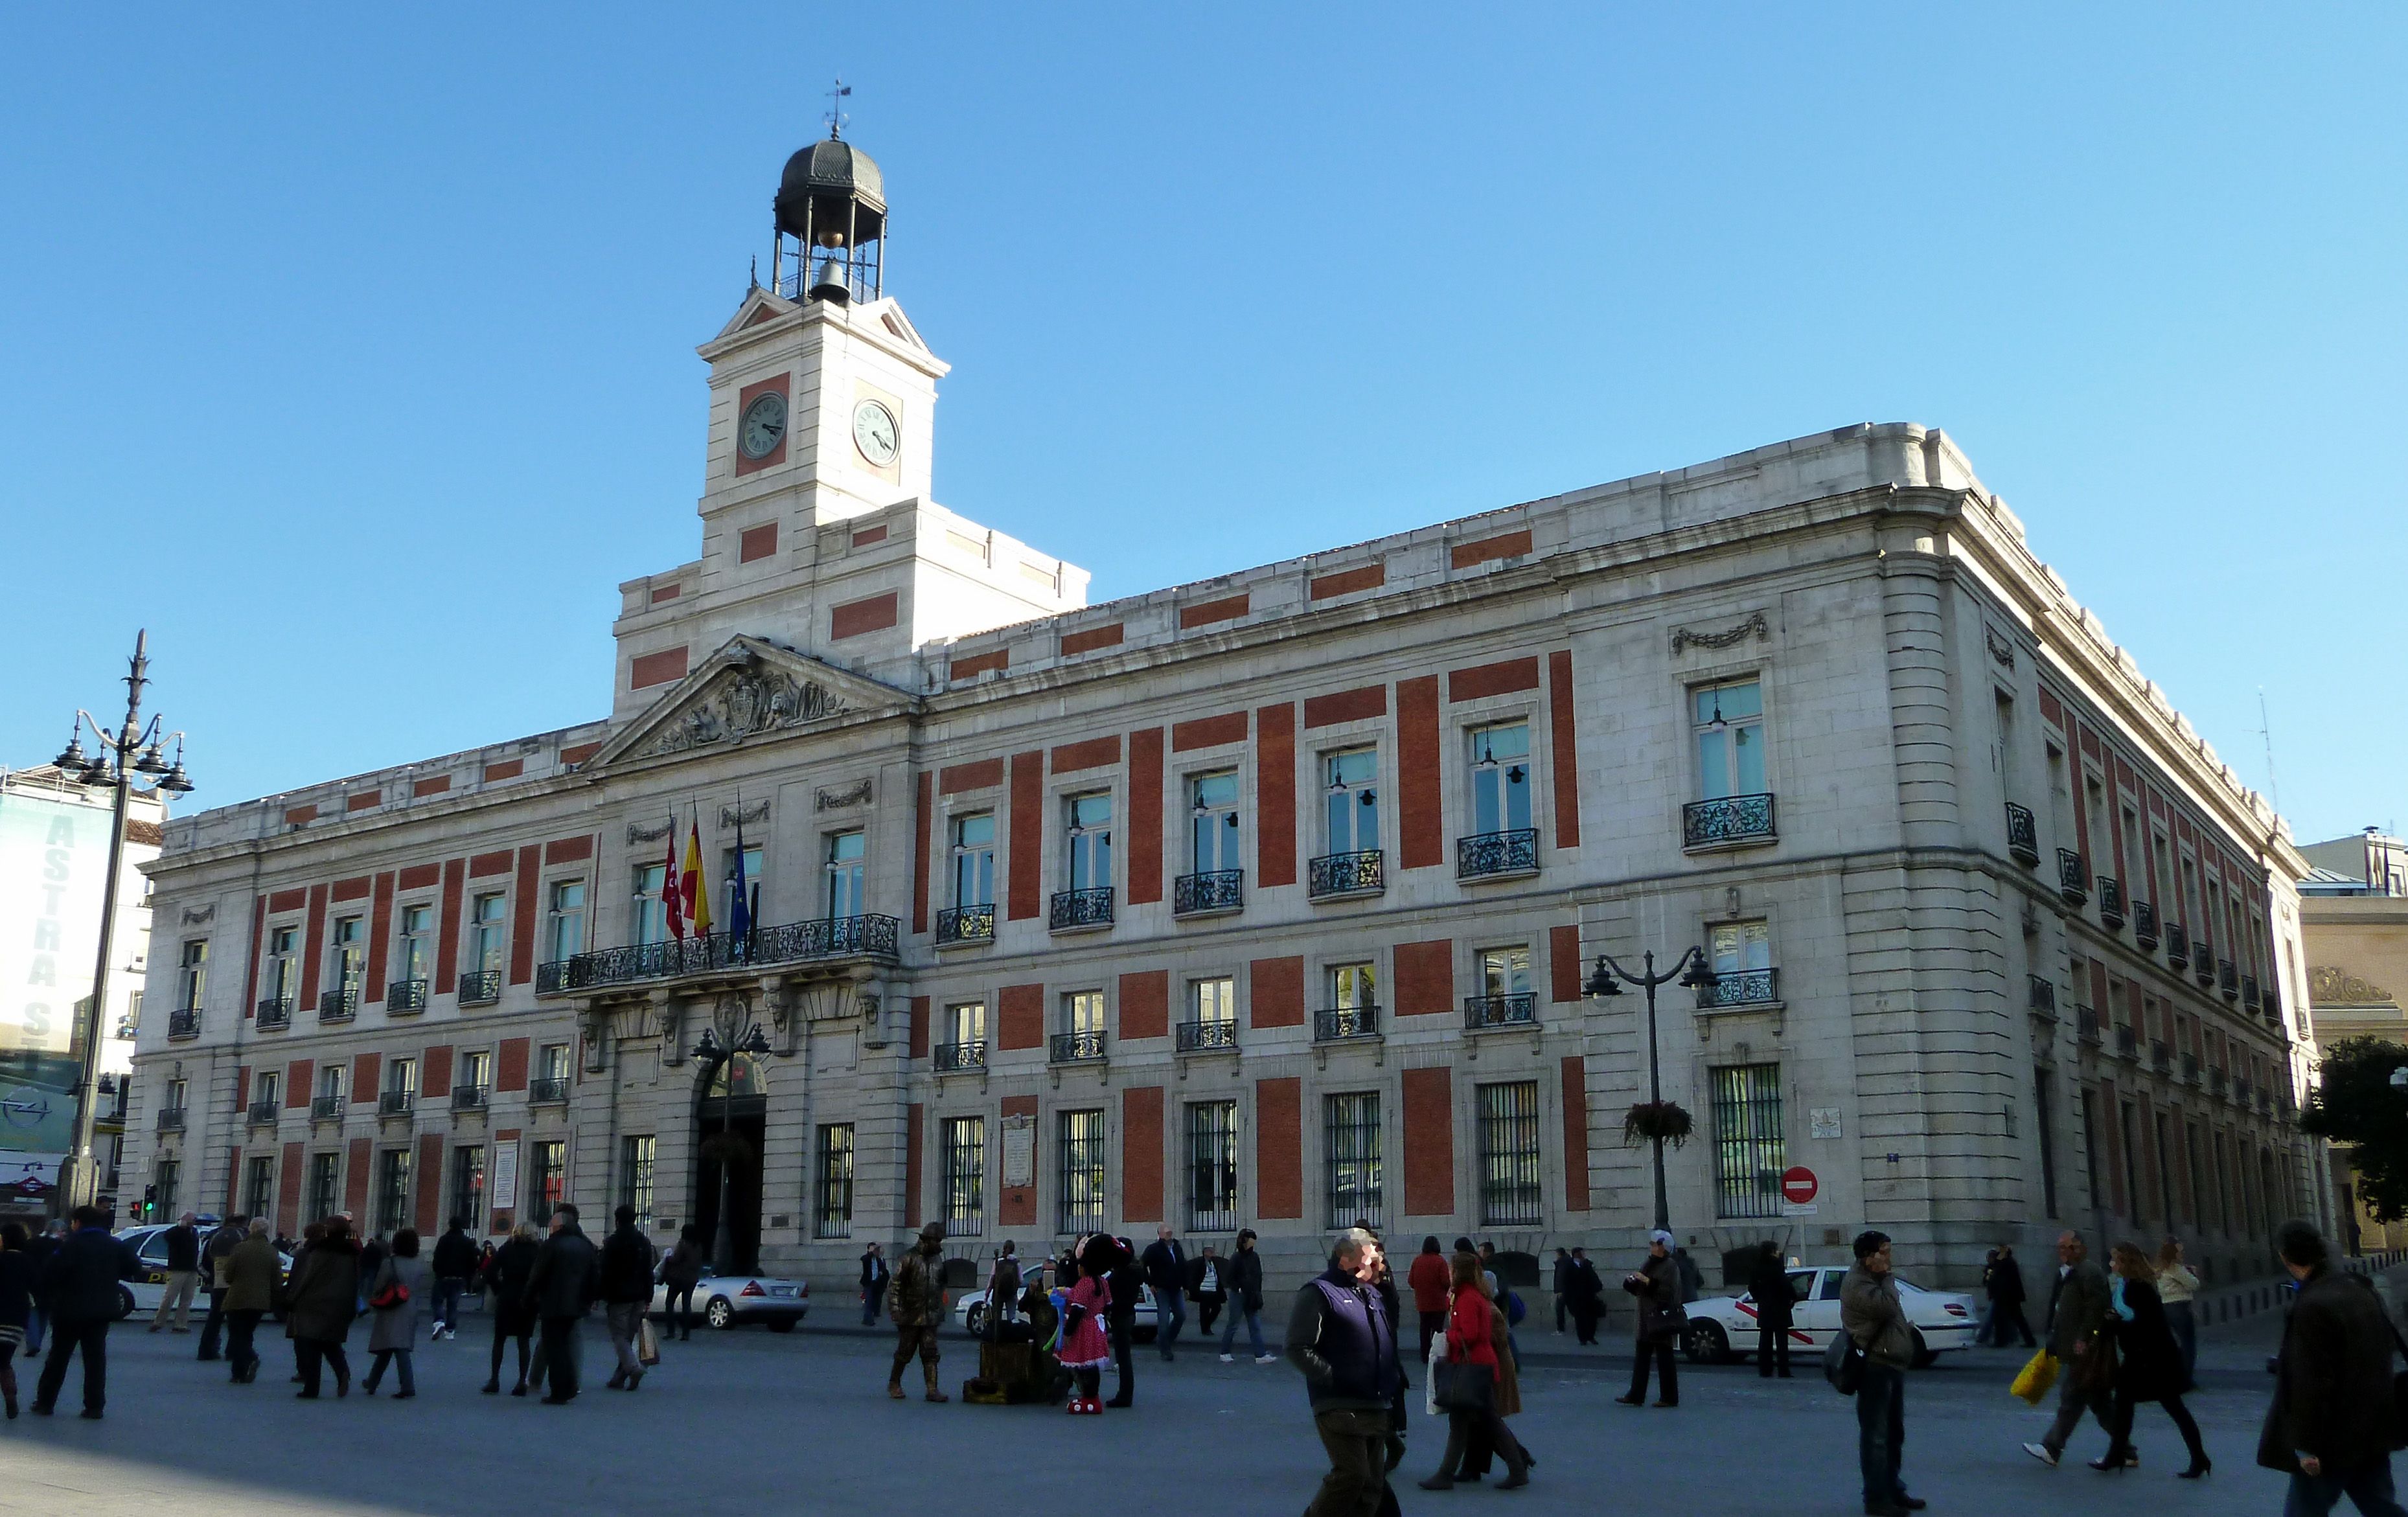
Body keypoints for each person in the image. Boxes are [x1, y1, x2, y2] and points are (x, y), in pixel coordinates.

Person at [2262, 1220, 2408, 1515]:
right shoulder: (2359, 1288)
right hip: (2373, 1428)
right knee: (2382, 1508)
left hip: (2334, 1440)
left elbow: (2311, 1383)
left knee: (2304, 1513)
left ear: (2285, 1257)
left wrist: (2305, 1446)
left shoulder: (2313, 1305)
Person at [1289, 1227, 1406, 1514]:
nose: (1376, 1264)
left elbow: (1388, 1336)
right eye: (1371, 1258)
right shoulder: (1319, 1292)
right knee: (1352, 1475)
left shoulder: (1373, 1293)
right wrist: (1332, 1378)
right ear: (1347, 1257)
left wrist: (1385, 1283)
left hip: (1376, 1401)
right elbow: (1297, 1347)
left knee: (1372, 1488)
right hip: (1340, 1404)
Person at [2093, 1242, 2208, 1477]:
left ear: (2127, 1263)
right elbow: (2121, 1319)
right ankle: (2118, 1455)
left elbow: (2149, 1326)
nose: (2112, 1264)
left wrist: (2117, 1325)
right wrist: (2109, 1324)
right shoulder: (2124, 1286)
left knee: (2173, 1408)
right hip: (2141, 1357)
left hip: (2154, 1359)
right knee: (2127, 1405)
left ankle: (2199, 1458)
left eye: (2116, 1260)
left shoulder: (2140, 1288)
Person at [1420, 1248, 1531, 1490]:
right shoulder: (1472, 1295)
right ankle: (1514, 1468)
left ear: (1460, 1272)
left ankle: (1449, 1474)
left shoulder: (1467, 1298)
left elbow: (1470, 1335)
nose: (1449, 1273)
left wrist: (1448, 1335)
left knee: (1478, 1423)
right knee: (1474, 1423)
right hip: (1480, 1365)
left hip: (1473, 1366)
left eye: (1452, 1269)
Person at [1840, 1230, 1925, 1517]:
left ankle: (1893, 1489)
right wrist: (1887, 1277)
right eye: (1884, 1252)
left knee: (1894, 1433)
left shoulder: (1874, 1280)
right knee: (1876, 1435)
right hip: (1875, 1367)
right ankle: (1876, 1498)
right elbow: (1887, 1308)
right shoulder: (1857, 1284)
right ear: (1868, 1257)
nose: (1889, 1259)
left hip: (1891, 1365)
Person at [30, 1205, 135, 1419]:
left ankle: (45, 1402)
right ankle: (94, 1406)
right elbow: (134, 1267)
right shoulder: (114, 1244)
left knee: (58, 1357)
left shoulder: (71, 1245)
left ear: (78, 1222)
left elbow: (52, 1272)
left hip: (69, 1309)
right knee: (95, 1359)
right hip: (102, 1310)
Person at [2024, 1229, 2116, 1467]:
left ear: (2081, 1248)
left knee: (2072, 1398)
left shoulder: (2089, 1273)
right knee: (2100, 1404)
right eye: (2061, 1248)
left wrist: (2084, 1338)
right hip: (2074, 1346)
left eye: (2069, 1247)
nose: (2063, 1252)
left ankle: (2052, 1448)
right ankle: (2125, 1449)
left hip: (2085, 1350)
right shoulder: (2071, 1273)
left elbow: (2097, 1308)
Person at [526, 1203, 601, 1404]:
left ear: (559, 1226)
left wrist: (528, 1297)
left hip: (553, 1303)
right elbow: (595, 1276)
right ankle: (570, 1385)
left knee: (555, 1347)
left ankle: (558, 1390)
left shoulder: (552, 1245)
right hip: (576, 1304)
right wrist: (590, 1298)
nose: (550, 1228)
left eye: (552, 1225)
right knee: (566, 1346)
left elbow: (538, 1274)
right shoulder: (585, 1245)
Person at [284, 1215, 361, 1400]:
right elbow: (355, 1282)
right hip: (340, 1303)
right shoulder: (352, 1255)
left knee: (310, 1344)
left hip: (313, 1302)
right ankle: (342, 1371)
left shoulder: (318, 1252)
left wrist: (291, 1298)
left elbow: (307, 1278)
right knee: (330, 1342)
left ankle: (312, 1388)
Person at [1615, 1229, 1683, 1409]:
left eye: (1655, 1245)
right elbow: (1641, 1289)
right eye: (1652, 1245)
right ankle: (1636, 1394)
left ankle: (1669, 1396)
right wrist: (1631, 1283)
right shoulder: (1649, 1263)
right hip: (1645, 1317)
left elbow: (1666, 1292)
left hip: (1660, 1317)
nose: (1652, 1248)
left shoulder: (1670, 1266)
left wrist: (1646, 1281)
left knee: (1665, 1358)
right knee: (1642, 1358)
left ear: (1664, 1247)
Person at [362, 1227, 431, 1398]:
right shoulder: (420, 1263)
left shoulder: (390, 1263)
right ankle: (372, 1381)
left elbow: (379, 1285)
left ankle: (407, 1385)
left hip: (391, 1306)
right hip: (410, 1306)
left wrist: (374, 1298)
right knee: (392, 1346)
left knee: (396, 1347)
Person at [886, 1220, 949, 1402]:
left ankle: (932, 1389)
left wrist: (940, 1309)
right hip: (910, 1315)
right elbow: (895, 1286)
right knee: (905, 1352)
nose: (939, 1245)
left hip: (930, 1315)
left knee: (931, 1353)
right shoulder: (908, 1258)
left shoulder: (937, 1260)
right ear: (927, 1240)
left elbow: (940, 1285)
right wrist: (896, 1310)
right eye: (937, 1241)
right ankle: (894, 1383)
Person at [481, 1220, 542, 1395]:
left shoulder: (507, 1248)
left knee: (499, 1339)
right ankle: (522, 1381)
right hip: (528, 1300)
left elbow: (490, 1271)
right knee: (524, 1342)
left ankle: (494, 1380)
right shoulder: (537, 1251)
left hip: (507, 1297)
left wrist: (499, 1289)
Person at [599, 1204, 656, 1391]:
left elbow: (605, 1271)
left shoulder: (613, 1242)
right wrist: (649, 1297)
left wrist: (600, 1295)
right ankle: (619, 1377)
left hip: (619, 1296)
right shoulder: (644, 1241)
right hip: (639, 1295)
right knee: (629, 1336)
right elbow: (649, 1271)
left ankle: (633, 1368)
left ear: (617, 1220)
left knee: (619, 1337)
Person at [1059, 1234, 1118, 1415]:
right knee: (1092, 1365)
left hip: (1084, 1327)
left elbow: (1078, 1310)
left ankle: (1089, 1397)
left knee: (1084, 1364)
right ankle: (1092, 1396)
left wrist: (1068, 1333)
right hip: (1097, 1324)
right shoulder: (1102, 1282)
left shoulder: (1085, 1284)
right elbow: (1108, 1305)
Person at [220, 1218, 279, 1384]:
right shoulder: (271, 1250)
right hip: (260, 1300)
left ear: (251, 1230)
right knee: (247, 1334)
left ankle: (242, 1367)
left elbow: (228, 1275)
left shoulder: (240, 1248)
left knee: (236, 1334)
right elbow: (277, 1279)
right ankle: (243, 1371)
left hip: (237, 1297)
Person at [1219, 1227, 1274, 1363]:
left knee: (1255, 1325)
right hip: (1238, 1295)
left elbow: (1258, 1275)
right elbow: (1228, 1278)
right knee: (1233, 1324)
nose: (1253, 1242)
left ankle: (1260, 1355)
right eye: (1251, 1240)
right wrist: (1238, 1288)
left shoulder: (1254, 1256)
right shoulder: (1236, 1257)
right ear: (1244, 1241)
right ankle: (1224, 1352)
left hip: (1251, 1295)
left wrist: (1257, 1291)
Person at [197, 1213, 246, 1360]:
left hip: (216, 1283)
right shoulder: (243, 1236)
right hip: (236, 1283)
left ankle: (206, 1350)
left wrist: (210, 1278)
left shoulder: (213, 1236)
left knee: (214, 1318)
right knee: (236, 1319)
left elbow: (200, 1261)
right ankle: (233, 1351)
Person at [1105, 1235, 1144, 1406]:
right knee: (1124, 1356)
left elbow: (1109, 1289)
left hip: (1121, 1314)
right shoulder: (1135, 1269)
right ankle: (1125, 1393)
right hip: (1129, 1313)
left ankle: (1125, 1395)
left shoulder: (1121, 1272)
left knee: (1123, 1357)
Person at [2153, 1237, 2200, 1380]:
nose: (2182, 1254)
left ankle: (2171, 1374)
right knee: (2188, 1344)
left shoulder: (2159, 1268)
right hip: (2180, 1307)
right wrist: (2193, 1274)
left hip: (2165, 1306)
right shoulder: (2176, 1269)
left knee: (2171, 1343)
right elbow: (2194, 1285)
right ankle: (2186, 1377)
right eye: (2180, 1251)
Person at [1746, 1240, 1795, 1377]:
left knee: (1765, 1341)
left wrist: (1760, 1298)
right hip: (1780, 1307)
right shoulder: (1776, 1266)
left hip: (1765, 1308)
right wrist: (1792, 1297)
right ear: (1772, 1252)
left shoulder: (1757, 1267)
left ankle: (1765, 1369)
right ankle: (1783, 1370)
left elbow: (1752, 1287)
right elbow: (1785, 1284)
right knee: (1782, 1343)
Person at [0, 1222, 34, 1417]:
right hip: (17, 1321)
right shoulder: (28, 1262)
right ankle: (10, 1396)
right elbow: (39, 1287)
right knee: (4, 1361)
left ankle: (10, 1396)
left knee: (2, 1363)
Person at [149, 1210, 201, 1333]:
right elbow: (168, 1237)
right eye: (191, 1220)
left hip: (192, 1269)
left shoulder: (194, 1232)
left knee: (187, 1299)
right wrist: (180, 1226)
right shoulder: (175, 1232)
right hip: (177, 1269)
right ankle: (159, 1322)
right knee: (170, 1297)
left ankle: (180, 1324)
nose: (193, 1223)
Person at [1142, 1224, 1188, 1360]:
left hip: (1176, 1287)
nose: (1169, 1235)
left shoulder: (1177, 1247)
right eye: (1166, 1233)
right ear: (1160, 1235)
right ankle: (1165, 1350)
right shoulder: (1154, 1249)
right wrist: (1150, 1282)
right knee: (1164, 1318)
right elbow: (1143, 1265)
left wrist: (1186, 1286)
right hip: (1161, 1288)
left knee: (1181, 1315)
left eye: (1170, 1232)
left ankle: (1167, 1340)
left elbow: (1182, 1266)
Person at [431, 1216, 479, 1341]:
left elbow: (437, 1259)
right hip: (459, 1277)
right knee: (453, 1305)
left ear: (450, 1225)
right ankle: (450, 1331)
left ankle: (439, 1321)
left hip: (443, 1276)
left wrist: (438, 1272)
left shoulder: (444, 1240)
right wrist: (468, 1276)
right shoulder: (467, 1242)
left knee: (437, 1301)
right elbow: (473, 1262)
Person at [23, 1219, 63, 1356]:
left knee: (32, 1312)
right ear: (58, 1231)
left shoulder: (31, 1242)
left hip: (32, 1282)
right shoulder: (59, 1245)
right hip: (51, 1284)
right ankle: (37, 1341)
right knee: (44, 1314)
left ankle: (33, 1343)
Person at [1407, 1237, 1451, 1362]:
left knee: (1424, 1330)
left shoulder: (1417, 1261)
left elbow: (1411, 1281)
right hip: (1438, 1303)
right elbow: (1446, 1282)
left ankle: (1424, 1355)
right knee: (1437, 1331)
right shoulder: (1440, 1261)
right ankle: (1436, 1354)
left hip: (1423, 1303)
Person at [661, 1225, 705, 1340]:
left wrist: (667, 1258)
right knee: (686, 1305)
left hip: (678, 1278)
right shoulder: (698, 1246)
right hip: (691, 1279)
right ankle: (686, 1333)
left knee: (669, 1303)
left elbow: (676, 1259)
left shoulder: (683, 1243)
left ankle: (671, 1331)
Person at [1988, 1242, 2035, 1349]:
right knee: (2017, 1319)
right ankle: (2029, 1340)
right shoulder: (2008, 1262)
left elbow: (1999, 1279)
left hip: (2006, 1296)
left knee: (2001, 1319)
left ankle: (2001, 1341)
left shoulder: (2005, 1263)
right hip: (2010, 1296)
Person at [1561, 1246, 1604, 1346]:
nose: (1583, 1255)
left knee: (1592, 1318)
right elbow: (1566, 1283)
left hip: (1589, 1296)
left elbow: (1594, 1277)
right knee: (1580, 1319)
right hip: (1576, 1297)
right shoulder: (1569, 1266)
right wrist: (1567, 1297)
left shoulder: (1587, 1264)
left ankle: (1591, 1336)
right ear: (1576, 1254)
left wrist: (1597, 1287)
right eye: (1581, 1253)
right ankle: (1583, 1338)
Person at [1191, 1244, 1226, 1335]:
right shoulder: (1200, 1263)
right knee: (1204, 1311)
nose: (1213, 1254)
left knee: (1217, 1308)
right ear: (1206, 1253)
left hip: (1213, 1290)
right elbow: (1196, 1276)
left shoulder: (1213, 1263)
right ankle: (1205, 1329)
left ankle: (1207, 1324)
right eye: (1211, 1252)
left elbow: (1216, 1275)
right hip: (1204, 1290)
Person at [860, 1239, 890, 1327]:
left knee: (874, 1301)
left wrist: (881, 1273)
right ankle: (869, 1320)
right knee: (869, 1301)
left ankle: (867, 1318)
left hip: (876, 1283)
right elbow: (864, 1259)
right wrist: (871, 1253)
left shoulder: (878, 1260)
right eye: (875, 1250)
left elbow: (883, 1268)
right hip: (868, 1282)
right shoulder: (867, 1259)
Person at [1551, 1247, 1572, 1334]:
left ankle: (1560, 1329)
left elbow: (1560, 1278)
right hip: (1569, 1290)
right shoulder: (1567, 1261)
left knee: (1559, 1310)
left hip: (1563, 1291)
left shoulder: (1562, 1263)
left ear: (1559, 1254)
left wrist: (1560, 1291)